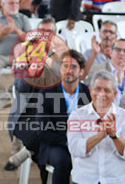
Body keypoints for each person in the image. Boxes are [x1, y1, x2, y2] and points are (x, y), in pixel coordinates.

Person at [66, 70, 125, 183]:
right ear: (90, 90)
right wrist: (100, 136)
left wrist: (114, 136)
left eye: (107, 90)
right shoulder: (77, 116)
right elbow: (75, 149)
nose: (101, 94)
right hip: (85, 180)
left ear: (115, 94)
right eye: (98, 89)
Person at [35, 50, 91, 184]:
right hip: (55, 143)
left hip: (82, 142)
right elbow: (42, 132)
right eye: (65, 65)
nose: (68, 70)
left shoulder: (88, 93)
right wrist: (69, 141)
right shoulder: (46, 93)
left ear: (82, 72)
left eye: (74, 67)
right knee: (63, 161)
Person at [0, 0, 31, 72]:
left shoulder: (24, 18)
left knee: (27, 72)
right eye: (11, 3)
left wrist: (16, 30)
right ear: (3, 4)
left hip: (19, 56)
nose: (14, 6)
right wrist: (1, 34)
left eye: (16, 3)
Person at [86, 38, 125, 104]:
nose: (121, 53)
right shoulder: (96, 69)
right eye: (118, 49)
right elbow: (88, 94)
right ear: (111, 52)